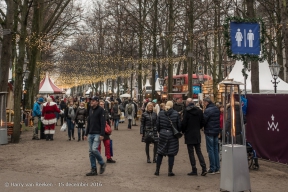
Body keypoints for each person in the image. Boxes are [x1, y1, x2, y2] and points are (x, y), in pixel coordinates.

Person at [182, 98, 207, 176]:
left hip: (189, 133)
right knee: (198, 151)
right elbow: (203, 121)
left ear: (187, 103)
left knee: (191, 152)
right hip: (196, 133)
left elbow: (184, 123)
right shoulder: (199, 111)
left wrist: (183, 130)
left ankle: (194, 169)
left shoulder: (186, 111)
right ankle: (204, 168)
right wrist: (198, 127)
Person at [155, 101, 181, 176]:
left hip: (163, 133)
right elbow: (179, 125)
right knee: (171, 153)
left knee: (160, 152)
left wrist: (161, 131)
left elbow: (157, 124)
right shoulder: (176, 113)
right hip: (172, 134)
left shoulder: (161, 113)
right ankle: (170, 171)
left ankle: (157, 170)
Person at [84, 96, 106, 176]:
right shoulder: (90, 110)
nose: (91, 102)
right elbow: (89, 122)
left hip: (97, 133)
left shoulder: (101, 110)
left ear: (97, 102)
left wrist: (102, 134)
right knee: (91, 152)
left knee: (94, 149)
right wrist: (86, 133)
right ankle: (93, 169)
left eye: (93, 101)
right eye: (91, 101)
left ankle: (102, 163)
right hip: (90, 133)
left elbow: (103, 122)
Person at [203, 97, 220, 175]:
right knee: (216, 149)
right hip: (216, 131)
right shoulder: (216, 109)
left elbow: (204, 120)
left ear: (206, 102)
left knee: (210, 150)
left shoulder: (207, 110)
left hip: (209, 131)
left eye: (204, 102)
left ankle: (212, 168)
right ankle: (217, 168)